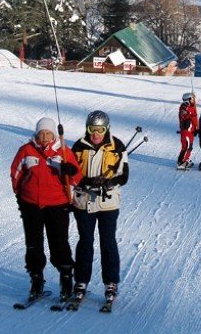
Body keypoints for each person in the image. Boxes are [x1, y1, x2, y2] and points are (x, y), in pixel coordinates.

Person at [10, 117, 81, 302]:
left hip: (57, 204)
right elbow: (16, 174)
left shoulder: (63, 152)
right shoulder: (26, 151)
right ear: (36, 133)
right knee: (33, 244)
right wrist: (20, 197)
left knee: (59, 243)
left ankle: (66, 281)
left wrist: (70, 171)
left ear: (53, 135)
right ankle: (36, 280)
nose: (44, 136)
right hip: (31, 204)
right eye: (41, 133)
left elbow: (77, 178)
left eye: (48, 133)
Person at [72, 110, 129, 305]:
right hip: (84, 201)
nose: (96, 134)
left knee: (108, 242)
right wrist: (85, 181)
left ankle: (111, 282)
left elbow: (124, 175)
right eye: (92, 129)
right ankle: (81, 281)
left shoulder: (117, 146)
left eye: (100, 129)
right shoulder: (79, 146)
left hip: (107, 203)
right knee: (85, 242)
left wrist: (109, 183)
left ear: (107, 129)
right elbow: (71, 172)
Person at [177, 92, 198, 169]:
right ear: (187, 100)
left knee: (187, 146)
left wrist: (196, 129)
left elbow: (194, 120)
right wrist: (190, 113)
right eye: (192, 99)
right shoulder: (185, 108)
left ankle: (182, 160)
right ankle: (182, 162)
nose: (193, 100)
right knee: (187, 147)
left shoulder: (190, 107)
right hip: (186, 131)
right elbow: (186, 116)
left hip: (190, 131)